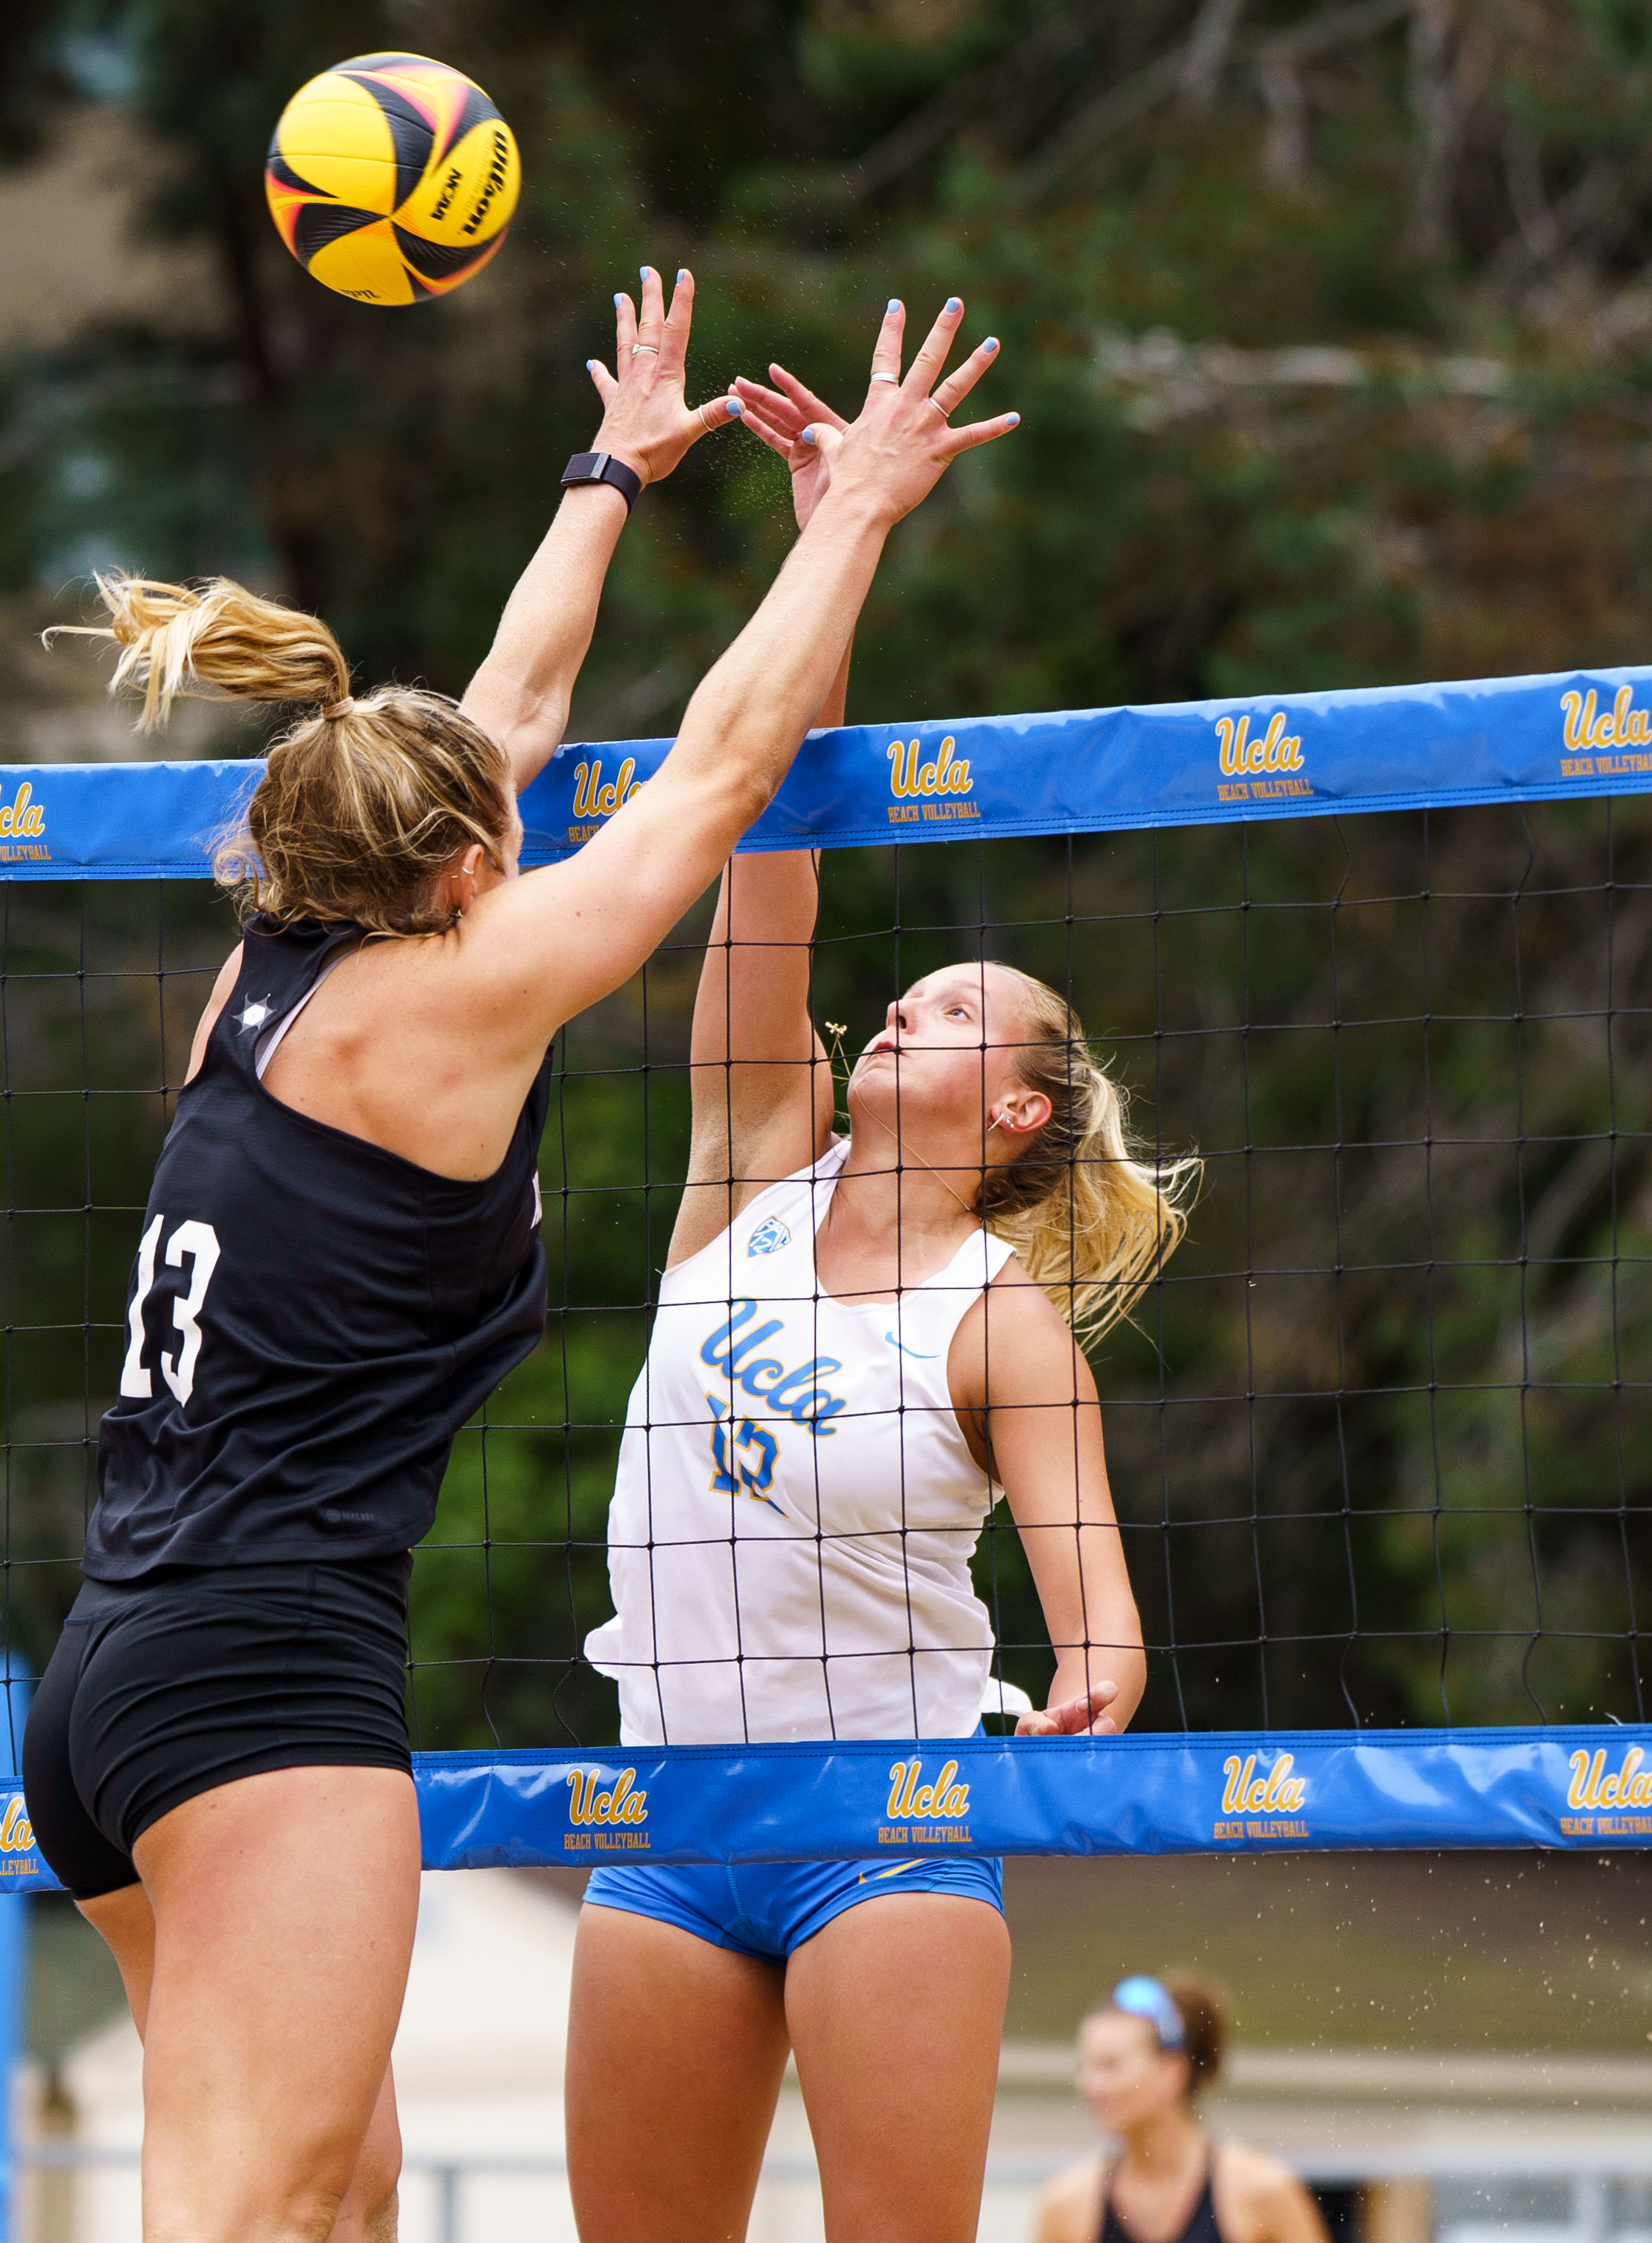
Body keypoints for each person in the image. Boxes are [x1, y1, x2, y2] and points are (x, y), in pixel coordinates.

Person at [17, 270, 1018, 2243]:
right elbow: (720, 762)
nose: (524, 824)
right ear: (465, 870)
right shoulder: (454, 1005)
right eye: (503, 828)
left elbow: (517, 708)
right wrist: (857, 517)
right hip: (261, 1680)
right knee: (268, 2213)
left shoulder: (278, 951)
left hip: (113, 1679)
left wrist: (609, 475)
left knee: (338, 2193)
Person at [560, 359, 1185, 2243]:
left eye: (959, 1007)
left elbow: (1096, 1615)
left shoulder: (997, 1317)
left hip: (888, 1827)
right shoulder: (756, 1160)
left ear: (1016, 1109)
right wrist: (836, 522)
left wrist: (1096, 1680)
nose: (905, 1000)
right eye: (907, 992)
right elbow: (766, 823)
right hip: (661, 1818)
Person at [1029, 1973, 1329, 2243]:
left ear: (1173, 2072)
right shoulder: (1068, 2204)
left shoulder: (1260, 2192)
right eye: (1087, 2066)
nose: (1091, 2085)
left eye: (1110, 2066)